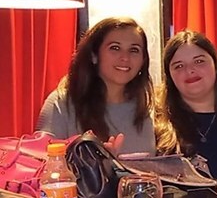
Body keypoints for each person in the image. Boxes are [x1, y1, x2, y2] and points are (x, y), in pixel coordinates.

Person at [36, 17, 155, 155]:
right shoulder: (61, 104)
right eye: (115, 48)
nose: (125, 58)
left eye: (134, 50)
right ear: (94, 55)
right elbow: (42, 165)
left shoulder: (147, 106)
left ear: (143, 60)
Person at [155, 31, 217, 184]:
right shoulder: (155, 124)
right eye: (179, 66)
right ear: (169, 76)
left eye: (199, 61)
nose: (190, 70)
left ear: (215, 65)